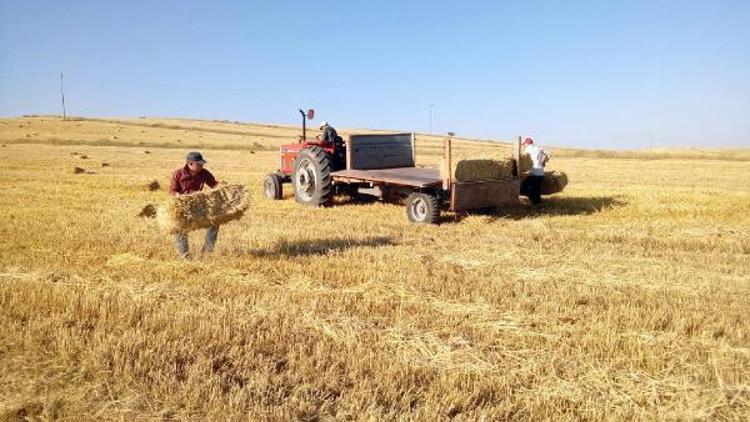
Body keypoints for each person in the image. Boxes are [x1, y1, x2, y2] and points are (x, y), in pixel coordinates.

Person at [169, 151, 219, 259]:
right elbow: (172, 191)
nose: (201, 166)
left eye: (202, 164)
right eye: (199, 164)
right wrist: (179, 196)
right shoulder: (178, 174)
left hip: (198, 205)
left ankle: (207, 252)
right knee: (179, 228)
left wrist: (224, 187)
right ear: (190, 163)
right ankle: (185, 256)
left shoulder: (204, 173)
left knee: (215, 222)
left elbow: (214, 185)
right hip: (182, 206)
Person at [520, 137, 548, 206]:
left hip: (533, 172)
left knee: (525, 187)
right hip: (541, 172)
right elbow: (545, 160)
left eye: (525, 144)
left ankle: (533, 203)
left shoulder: (527, 150)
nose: (524, 146)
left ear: (526, 144)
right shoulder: (539, 149)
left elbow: (524, 162)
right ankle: (537, 203)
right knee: (537, 189)